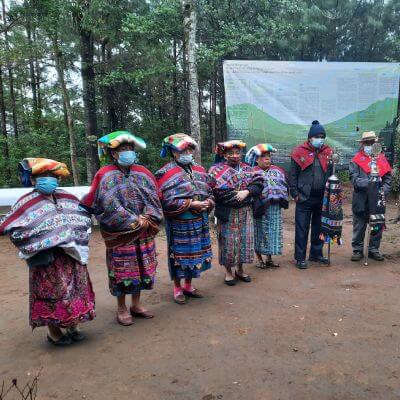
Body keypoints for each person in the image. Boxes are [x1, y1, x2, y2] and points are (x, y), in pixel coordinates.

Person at [0, 158, 95, 346]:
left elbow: (82, 216)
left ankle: (73, 325)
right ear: (33, 180)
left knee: (76, 289)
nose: (49, 180)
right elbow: (13, 227)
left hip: (71, 256)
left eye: (52, 176)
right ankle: (54, 333)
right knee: (52, 293)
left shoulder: (67, 197)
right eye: (43, 176)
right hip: (46, 259)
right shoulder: (26, 202)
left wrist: (71, 234)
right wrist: (42, 239)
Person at [81, 131, 163, 326]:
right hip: (121, 233)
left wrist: (148, 217)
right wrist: (132, 220)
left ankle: (136, 304)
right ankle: (121, 307)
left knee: (142, 268)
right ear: (113, 153)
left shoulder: (143, 172)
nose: (128, 152)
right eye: (122, 149)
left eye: (130, 149)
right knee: (122, 270)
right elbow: (104, 204)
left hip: (143, 231)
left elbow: (155, 197)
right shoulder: (105, 174)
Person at [155, 133, 214, 304]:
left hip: (199, 220)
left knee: (195, 254)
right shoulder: (165, 173)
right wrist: (190, 204)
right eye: (183, 149)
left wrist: (208, 202)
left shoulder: (200, 170)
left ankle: (188, 285)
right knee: (179, 255)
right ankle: (177, 287)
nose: (187, 152)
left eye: (190, 149)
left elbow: (210, 191)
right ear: (174, 152)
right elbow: (163, 200)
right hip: (180, 222)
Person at [208, 140, 263, 285]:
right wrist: (237, 197)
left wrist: (246, 191)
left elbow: (258, 185)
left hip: (246, 212)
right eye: (230, 153)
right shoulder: (216, 170)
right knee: (229, 242)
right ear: (224, 154)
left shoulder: (248, 168)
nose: (234, 156)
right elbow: (218, 192)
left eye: (237, 153)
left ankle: (240, 269)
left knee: (244, 241)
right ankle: (228, 272)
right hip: (228, 213)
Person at [289, 120, 333, 269]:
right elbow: (293, 175)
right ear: (310, 137)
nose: (320, 139)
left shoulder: (328, 152)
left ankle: (316, 254)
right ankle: (300, 257)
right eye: (317, 136)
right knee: (302, 228)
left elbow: (333, 174)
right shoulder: (298, 152)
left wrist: (332, 193)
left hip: (322, 197)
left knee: (319, 227)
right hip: (304, 197)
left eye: (322, 136)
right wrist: (295, 194)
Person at [349, 131, 392, 262]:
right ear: (362, 144)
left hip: (378, 199)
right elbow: (354, 179)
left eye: (372, 143)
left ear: (375, 144)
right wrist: (371, 184)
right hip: (361, 198)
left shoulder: (382, 160)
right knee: (359, 225)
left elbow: (388, 179)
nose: (369, 145)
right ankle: (357, 249)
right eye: (367, 143)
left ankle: (374, 249)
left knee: (377, 224)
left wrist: (381, 191)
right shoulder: (356, 160)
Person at [245, 144, 289, 269]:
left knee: (273, 233)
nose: (267, 159)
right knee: (259, 232)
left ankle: (269, 258)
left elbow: (284, 186)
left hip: (275, 207)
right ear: (256, 159)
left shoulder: (277, 171)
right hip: (259, 208)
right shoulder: (251, 172)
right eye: (263, 157)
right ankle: (259, 259)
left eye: (268, 156)